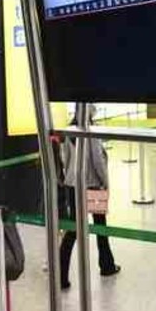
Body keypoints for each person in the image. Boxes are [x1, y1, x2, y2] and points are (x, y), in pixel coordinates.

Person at [55, 105, 120, 290]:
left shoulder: (69, 129)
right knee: (100, 225)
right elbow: (97, 159)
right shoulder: (90, 129)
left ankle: (61, 275)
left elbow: (65, 158)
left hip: (74, 185)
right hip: (93, 183)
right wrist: (105, 181)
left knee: (74, 229)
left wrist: (69, 178)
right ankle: (106, 266)